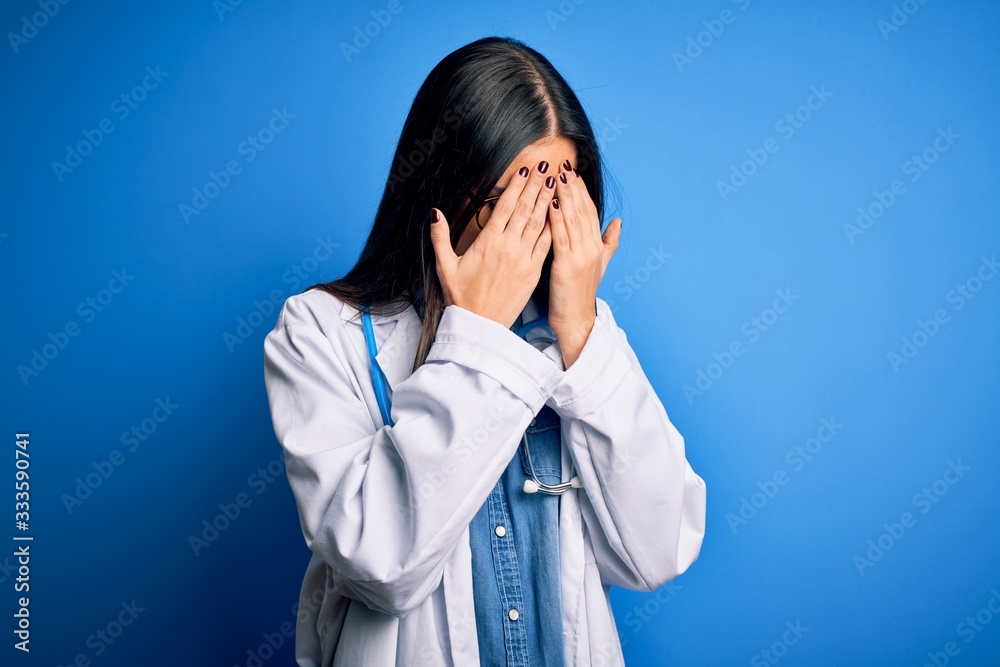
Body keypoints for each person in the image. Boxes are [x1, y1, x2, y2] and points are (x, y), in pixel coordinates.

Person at [263, 35, 706, 667]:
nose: (536, 225)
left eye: (557, 198)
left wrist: (582, 330)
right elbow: (379, 568)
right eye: (512, 199)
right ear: (439, 192)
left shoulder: (578, 338)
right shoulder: (319, 331)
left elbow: (659, 552)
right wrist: (478, 335)